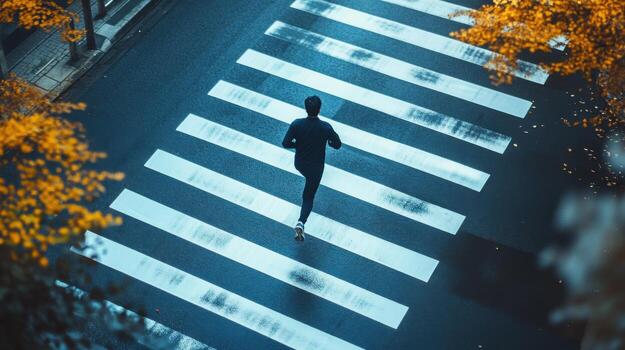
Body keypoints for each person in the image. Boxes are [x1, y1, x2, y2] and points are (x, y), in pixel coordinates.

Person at [282, 96, 341, 241]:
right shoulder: (325, 127)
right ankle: (301, 222)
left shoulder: (297, 124)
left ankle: (301, 222)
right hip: (316, 167)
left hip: (300, 164)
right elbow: (338, 144)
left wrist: (299, 145)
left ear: (305, 109)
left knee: (307, 183)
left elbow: (286, 143)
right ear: (319, 109)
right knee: (308, 196)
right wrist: (329, 142)